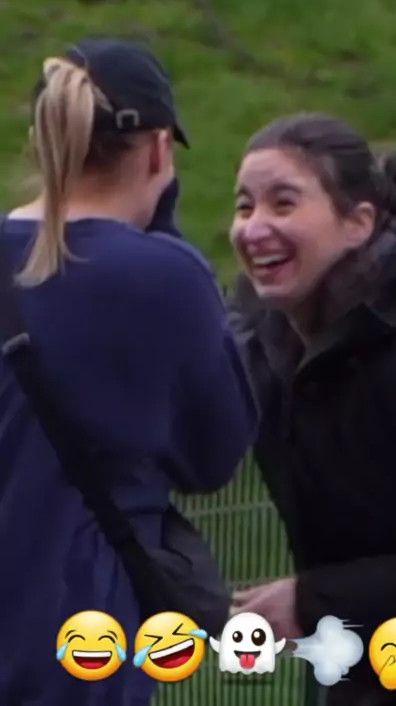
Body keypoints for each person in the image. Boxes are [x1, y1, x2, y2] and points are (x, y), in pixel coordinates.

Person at [0, 38, 258, 706]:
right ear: (159, 151)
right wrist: (165, 239)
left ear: (42, 143)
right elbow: (213, 458)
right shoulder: (164, 277)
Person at [228, 112, 396, 706]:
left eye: (284, 203)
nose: (255, 228)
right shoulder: (274, 350)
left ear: (358, 223)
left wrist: (316, 601)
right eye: (244, 206)